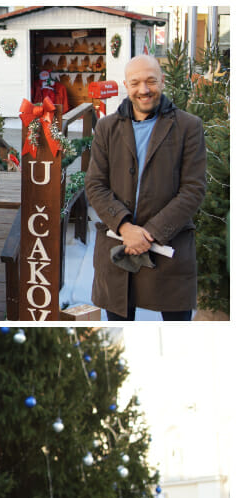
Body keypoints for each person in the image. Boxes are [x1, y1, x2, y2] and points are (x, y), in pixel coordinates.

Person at [85, 54, 205, 321]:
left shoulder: (188, 127)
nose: (144, 90)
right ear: (126, 86)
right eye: (136, 83)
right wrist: (126, 228)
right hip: (118, 245)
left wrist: (148, 234)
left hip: (168, 249)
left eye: (151, 81)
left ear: (162, 81)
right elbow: (95, 184)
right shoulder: (106, 128)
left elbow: (193, 190)